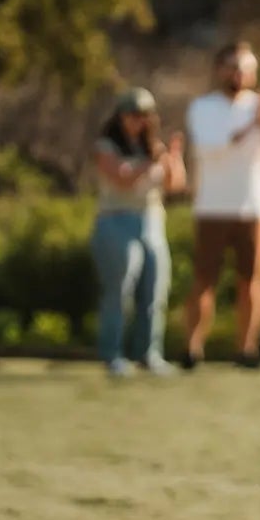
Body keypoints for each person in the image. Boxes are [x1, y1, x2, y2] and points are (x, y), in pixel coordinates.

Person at [182, 42, 260, 370]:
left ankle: (247, 349)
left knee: (252, 282)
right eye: (232, 67)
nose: (238, 74)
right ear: (219, 70)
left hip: (255, 208)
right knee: (205, 280)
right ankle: (191, 348)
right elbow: (210, 147)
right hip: (213, 208)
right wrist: (250, 125)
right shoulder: (204, 108)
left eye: (245, 68)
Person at [89, 88, 187, 378]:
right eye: (133, 115)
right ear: (120, 117)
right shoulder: (107, 146)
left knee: (154, 291)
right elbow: (122, 178)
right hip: (116, 222)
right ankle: (113, 354)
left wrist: (173, 158)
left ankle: (149, 353)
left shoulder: (154, 147)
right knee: (120, 291)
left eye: (144, 115)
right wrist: (151, 161)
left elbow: (176, 187)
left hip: (152, 221)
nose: (139, 121)